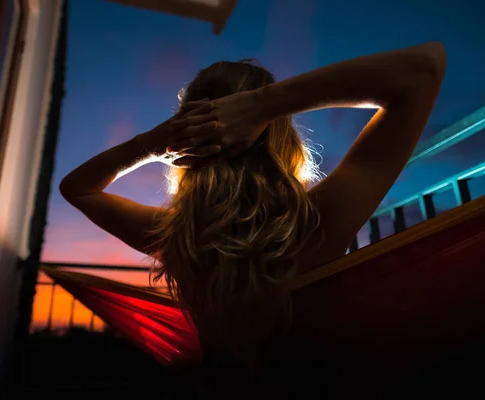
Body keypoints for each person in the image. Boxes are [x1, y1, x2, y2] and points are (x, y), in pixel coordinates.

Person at [59, 42, 447, 371]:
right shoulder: (319, 220)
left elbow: (79, 188)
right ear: (281, 134)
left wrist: (153, 144)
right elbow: (424, 67)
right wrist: (265, 104)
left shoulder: (177, 237)